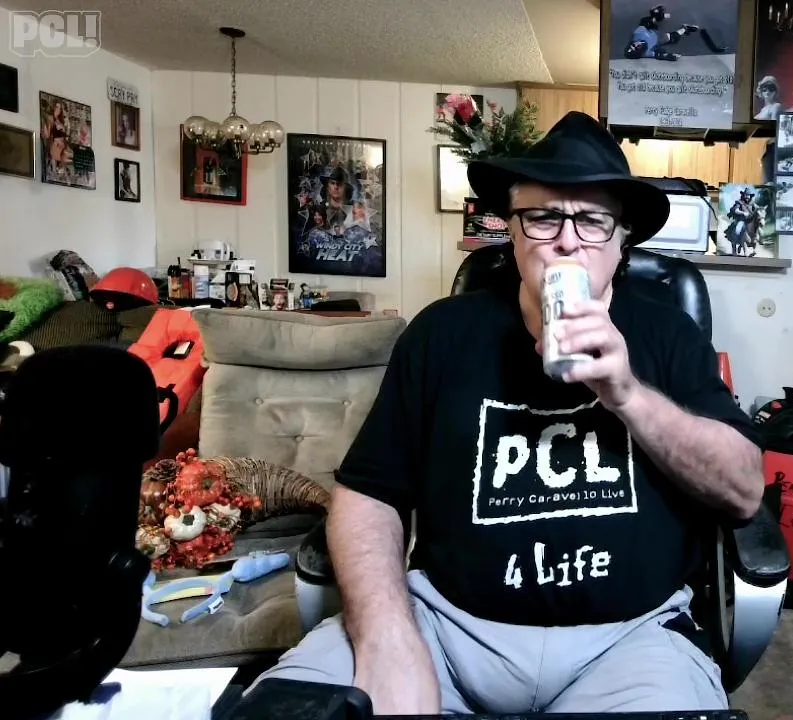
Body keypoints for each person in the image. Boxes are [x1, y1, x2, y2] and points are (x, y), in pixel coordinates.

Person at [251, 111, 765, 715]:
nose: (567, 240)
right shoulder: (441, 333)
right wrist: (387, 639)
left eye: (593, 220)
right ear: (512, 232)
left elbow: (743, 491)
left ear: (621, 239)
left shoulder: (668, 333)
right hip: (444, 628)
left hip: (630, 642)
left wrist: (627, 393)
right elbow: (368, 494)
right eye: (543, 217)